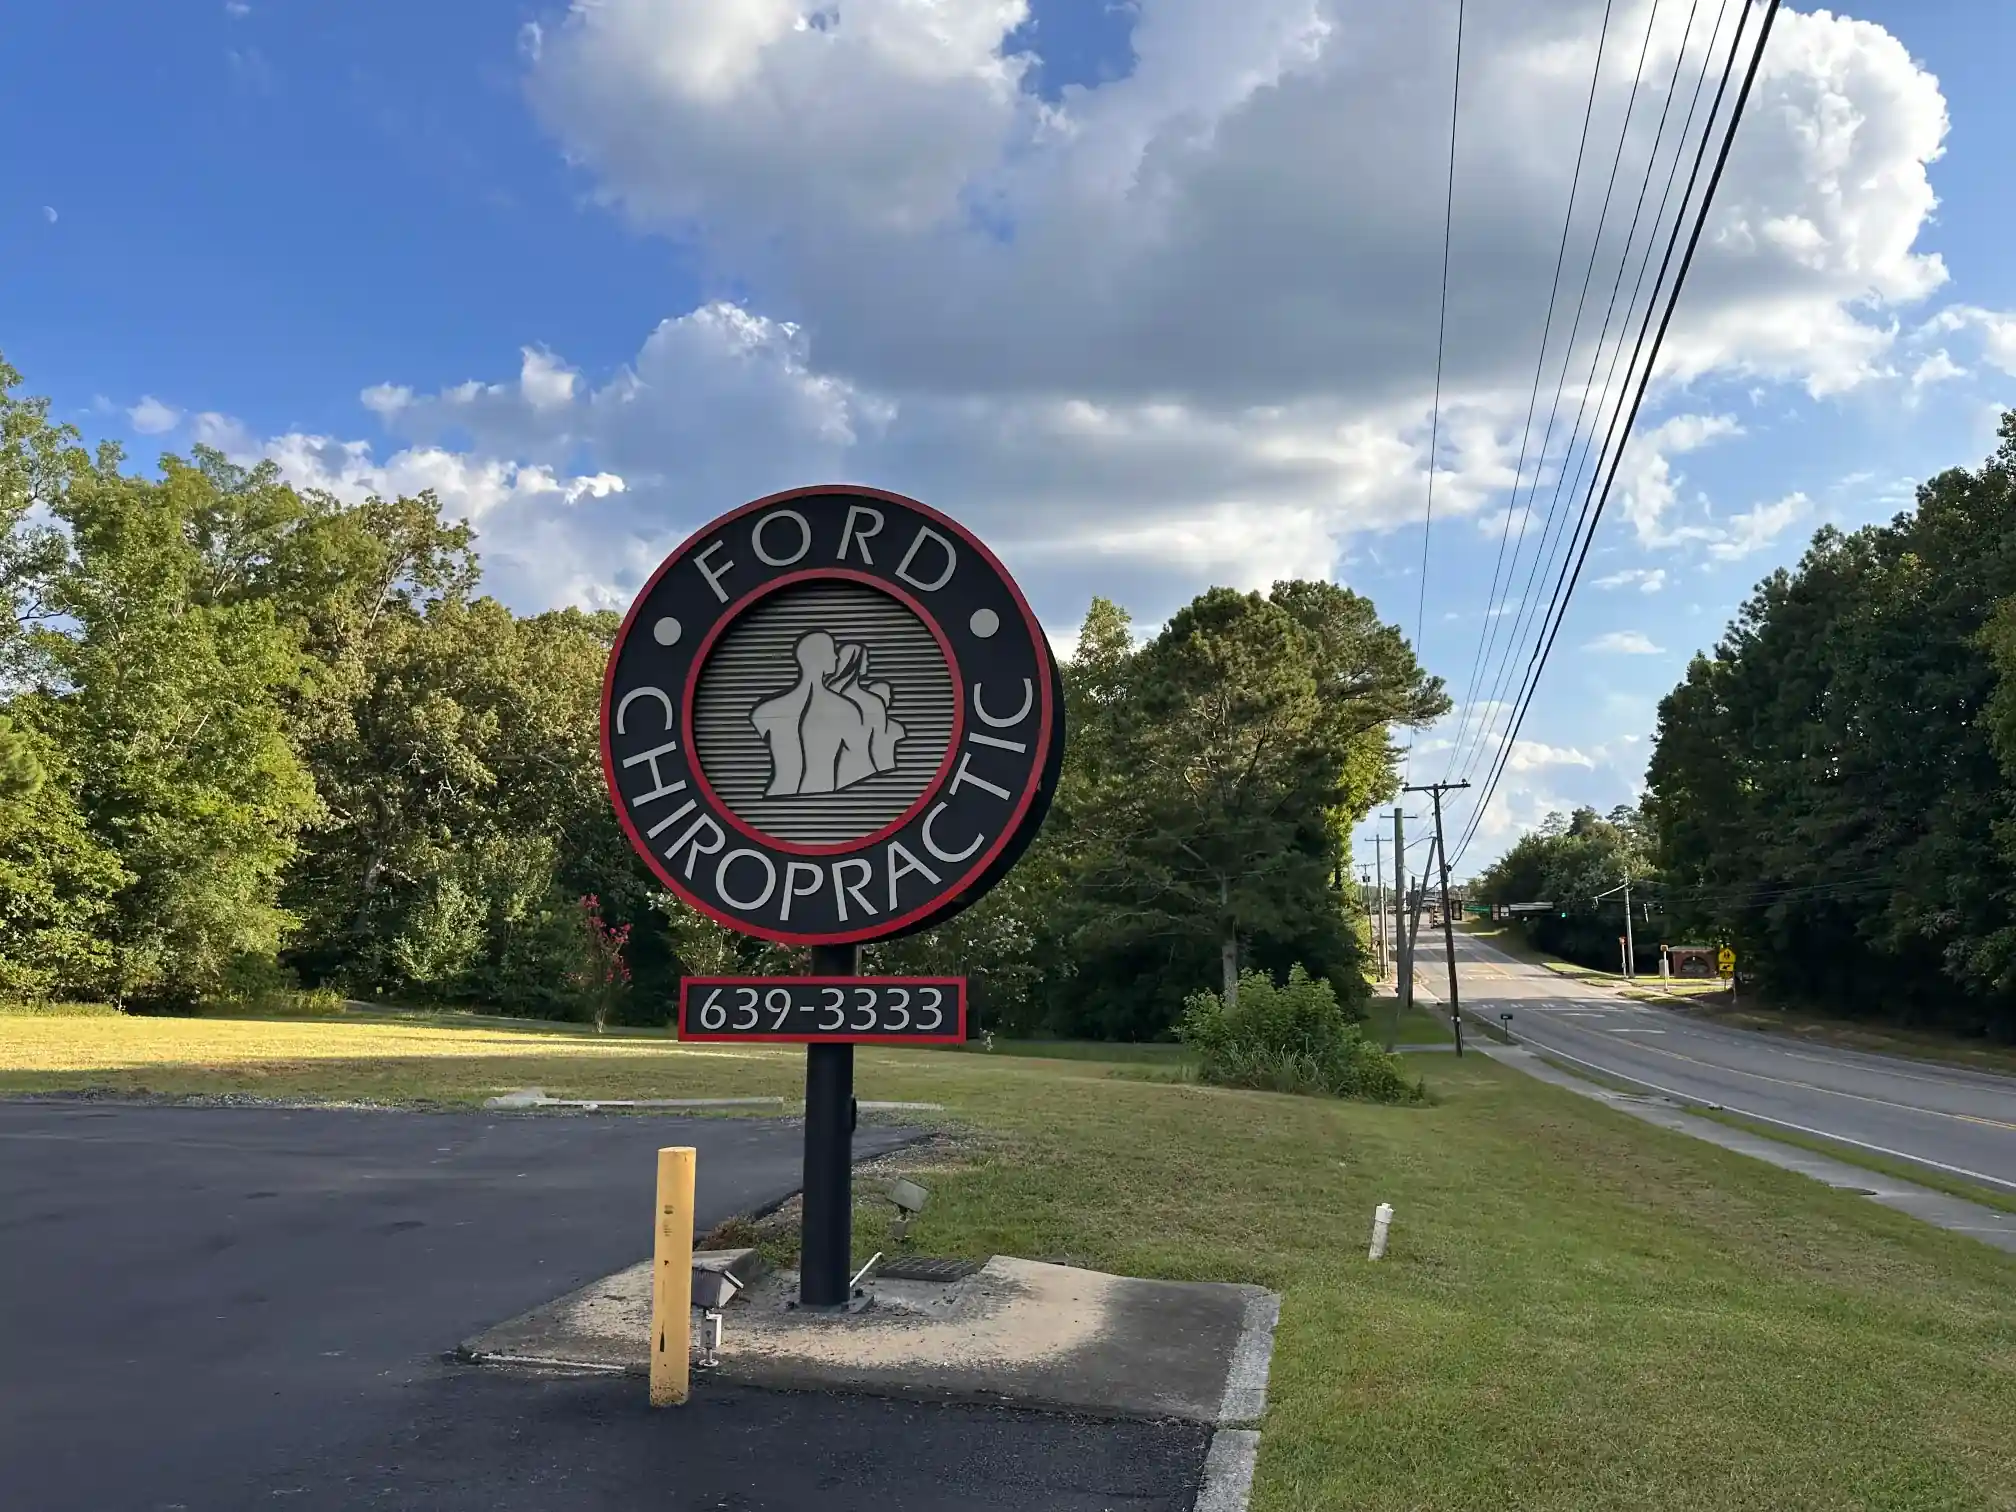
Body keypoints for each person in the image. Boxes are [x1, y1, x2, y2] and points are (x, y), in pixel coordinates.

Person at [751, 631, 906, 796]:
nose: (836, 658)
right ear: (821, 659)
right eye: (832, 652)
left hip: (777, 797)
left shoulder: (764, 711)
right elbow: (865, 764)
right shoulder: (845, 709)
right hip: (821, 796)